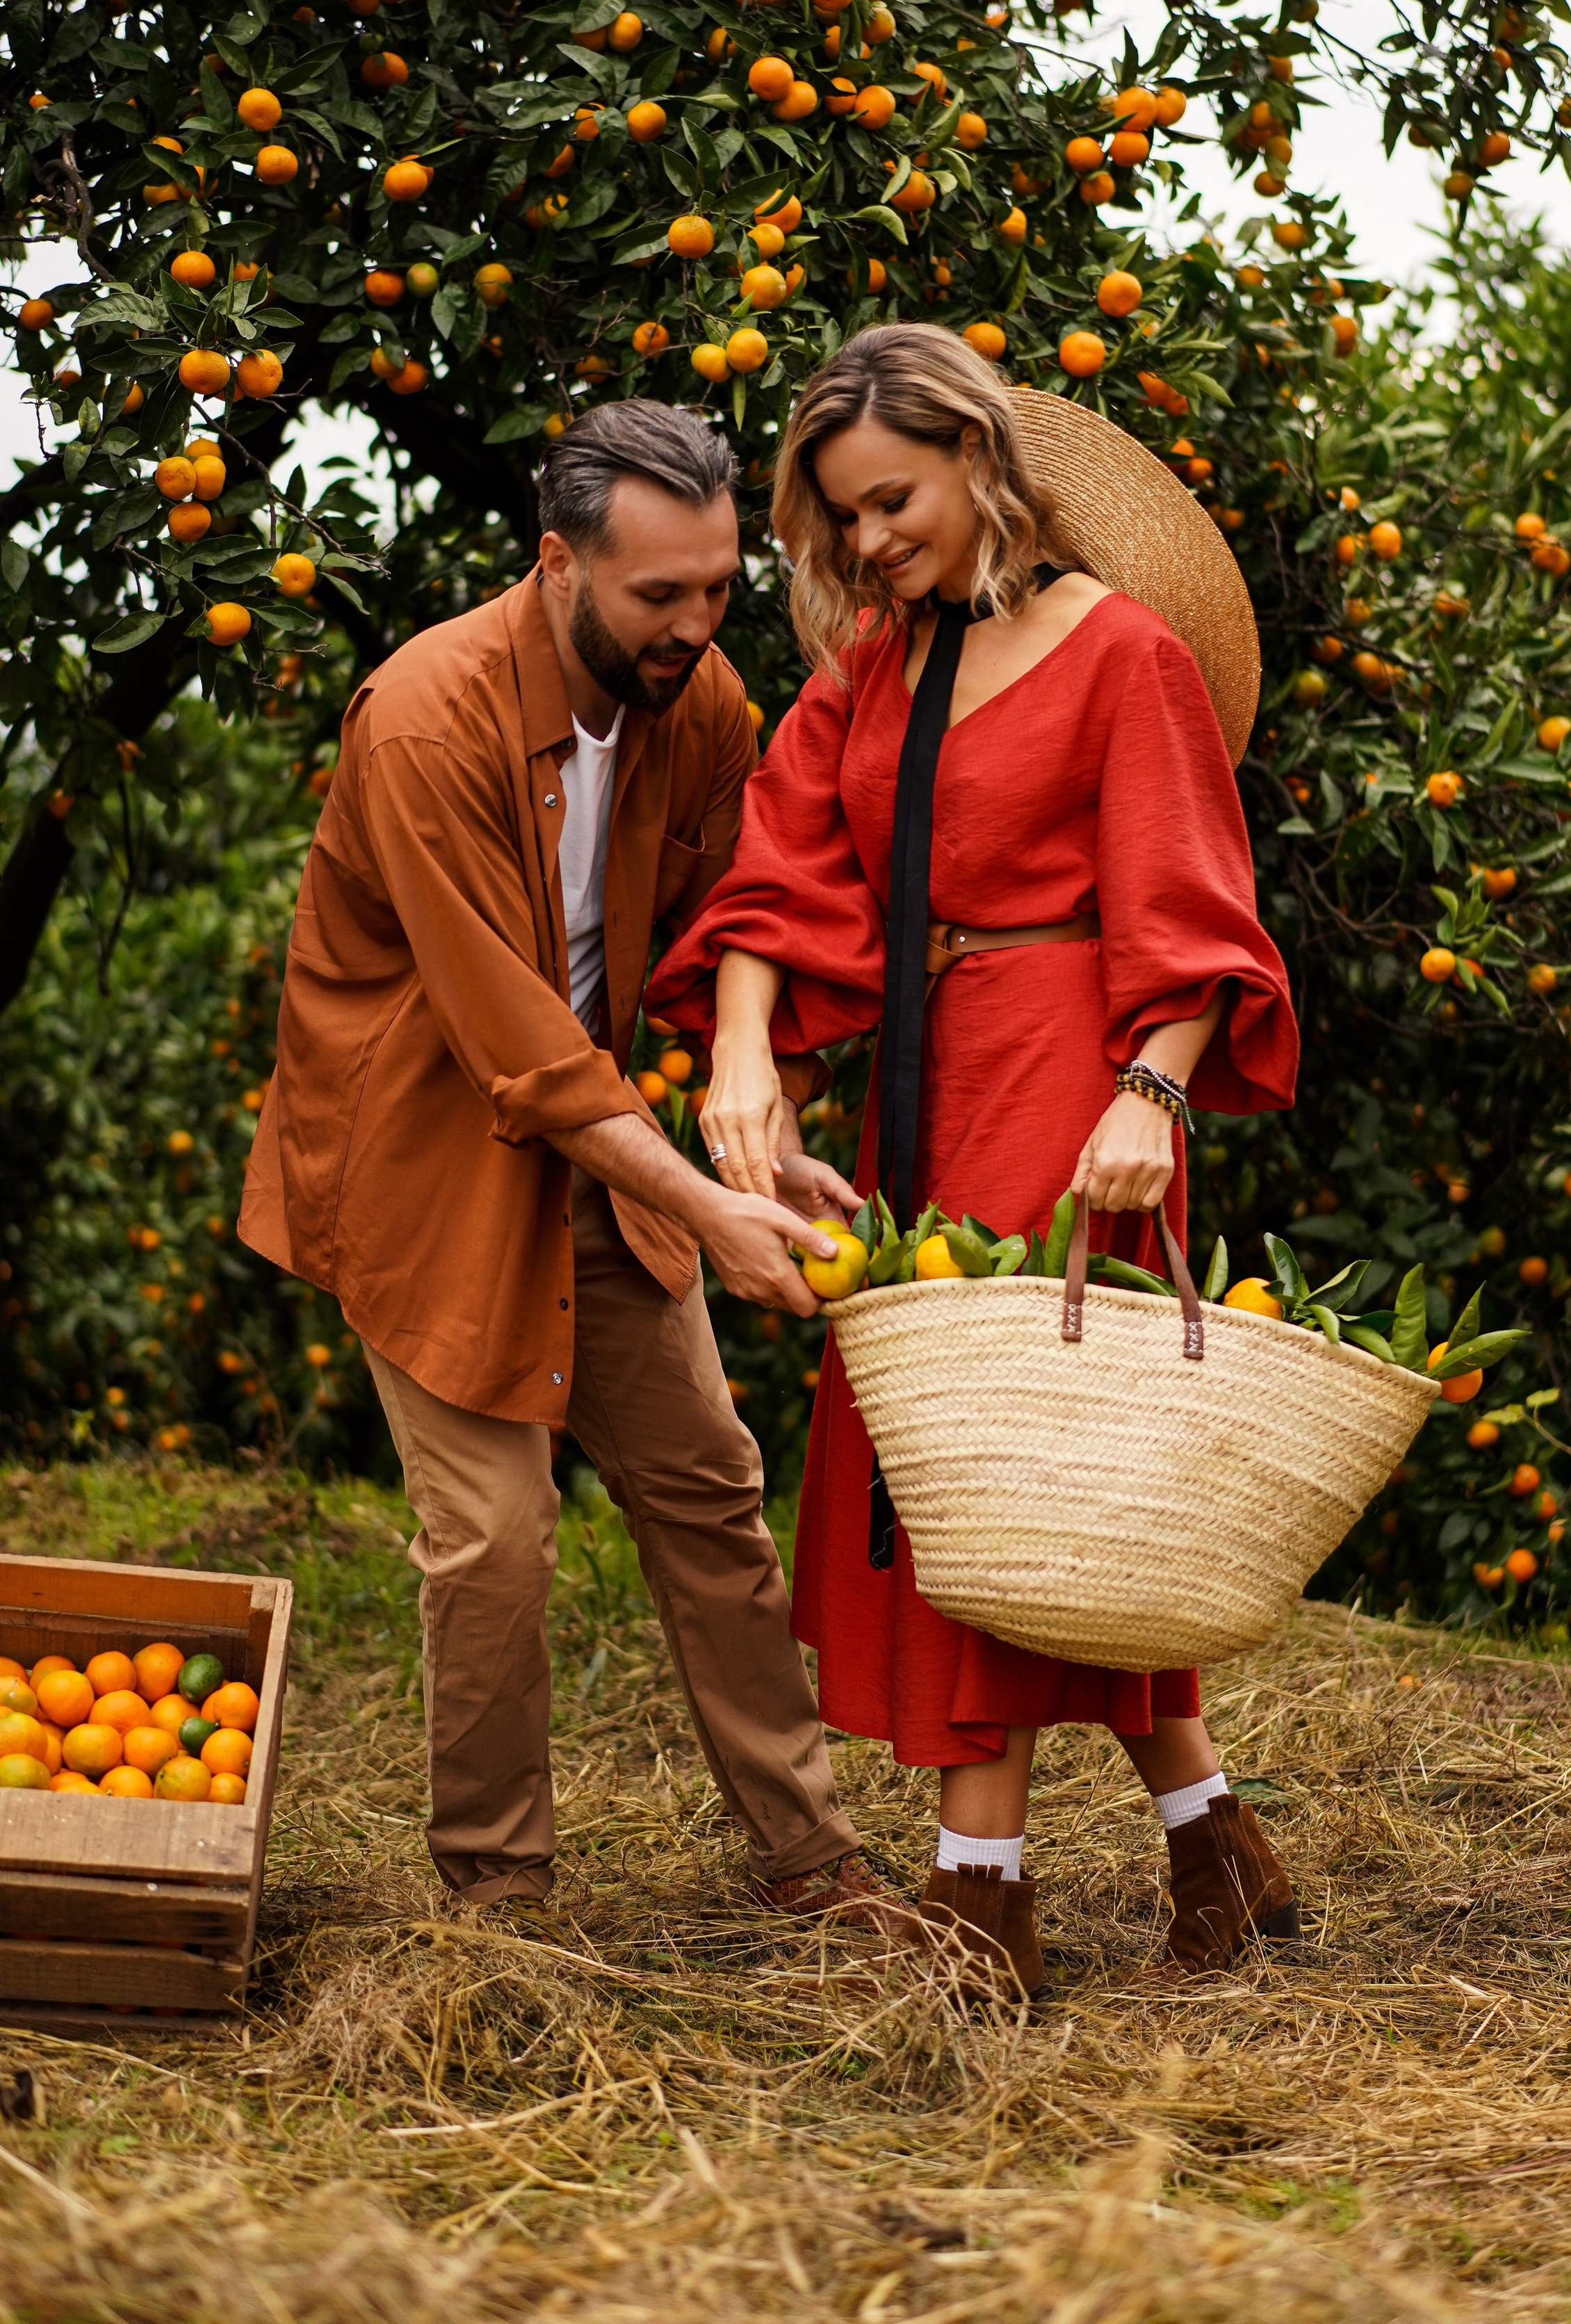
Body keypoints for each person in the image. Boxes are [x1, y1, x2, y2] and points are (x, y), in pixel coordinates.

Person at [649, 325, 1302, 1991]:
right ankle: (1214, 1845)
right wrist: (743, 1050)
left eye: (892, 501)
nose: (867, 540)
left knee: (992, 1460)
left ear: (978, 463)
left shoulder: (1121, 653)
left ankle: (977, 1903)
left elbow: (1191, 903)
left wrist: (1149, 1096)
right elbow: (781, 863)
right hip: (923, 1088)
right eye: (842, 517)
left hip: (1073, 1086)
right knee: (1023, 1485)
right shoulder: (876, 666)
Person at [239, 399, 899, 1926]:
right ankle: (500, 1899)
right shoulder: (427, 717)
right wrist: (703, 1207)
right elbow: (517, 1046)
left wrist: (767, 1136)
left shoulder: (703, 703)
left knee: (710, 1491)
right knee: (493, 1536)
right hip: (428, 1155)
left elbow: (734, 941)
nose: (693, 625)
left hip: (598, 1144)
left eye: (717, 588)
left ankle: (810, 1858)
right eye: (657, 593)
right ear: (556, 563)